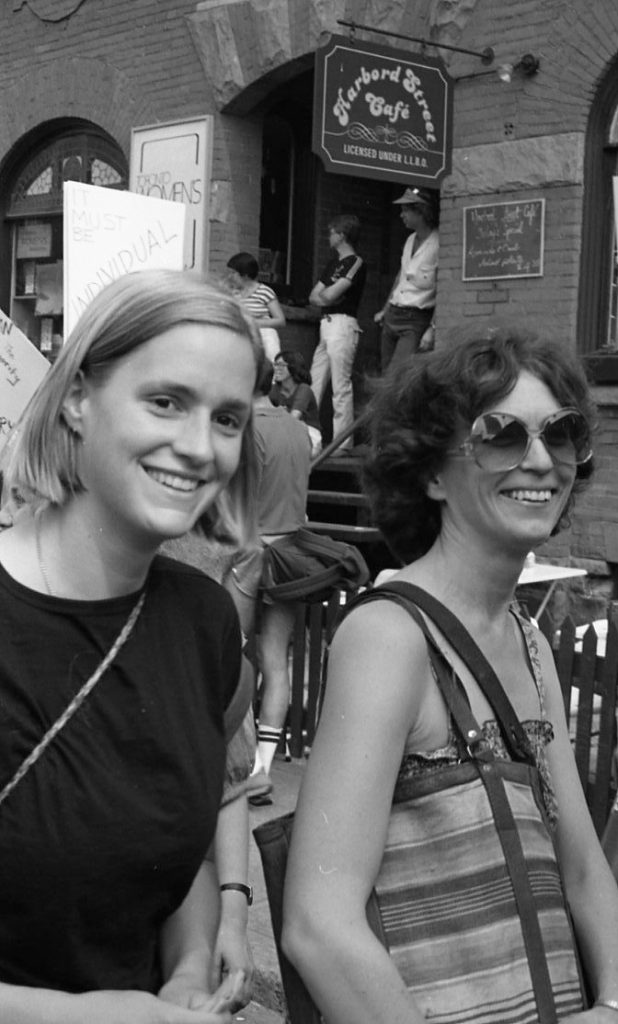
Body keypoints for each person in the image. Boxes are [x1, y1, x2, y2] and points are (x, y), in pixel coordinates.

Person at [283, 326, 618, 1024]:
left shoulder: (526, 641)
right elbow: (320, 925)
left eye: (560, 435)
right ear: (433, 471)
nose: (539, 461)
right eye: (500, 435)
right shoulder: (390, 637)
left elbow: (585, 870)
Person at [0, 268, 265, 1024]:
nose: (197, 447)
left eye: (227, 419)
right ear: (80, 399)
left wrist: (186, 964)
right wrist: (102, 1015)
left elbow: (172, 851)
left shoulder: (204, 622)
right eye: (166, 402)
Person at [245, 360, 312, 805]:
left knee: (230, 659)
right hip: (290, 555)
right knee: (275, 662)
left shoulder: (245, 430)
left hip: (247, 554)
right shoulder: (299, 431)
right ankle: (262, 770)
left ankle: (237, 765)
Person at [308, 214, 366, 454]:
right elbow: (314, 297)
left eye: (332, 232)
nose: (329, 236)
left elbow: (329, 296)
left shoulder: (354, 261)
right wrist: (329, 294)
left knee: (340, 386)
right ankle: (308, 439)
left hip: (343, 324)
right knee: (314, 381)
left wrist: (328, 295)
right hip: (326, 324)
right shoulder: (332, 264)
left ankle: (342, 444)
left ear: (342, 235)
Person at [374, 186, 439, 372]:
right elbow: (400, 279)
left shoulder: (439, 244)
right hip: (393, 314)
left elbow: (442, 290)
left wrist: (432, 329)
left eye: (406, 211)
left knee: (398, 374)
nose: (402, 216)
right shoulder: (410, 239)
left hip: (414, 320)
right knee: (386, 373)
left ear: (421, 212)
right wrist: (385, 309)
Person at [226, 251, 286, 362]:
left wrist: (255, 323)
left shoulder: (264, 291)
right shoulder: (232, 293)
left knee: (272, 364)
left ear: (245, 274)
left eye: (233, 273)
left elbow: (280, 320)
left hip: (264, 335)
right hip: (242, 335)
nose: (229, 277)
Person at [270, 349, 322, 456]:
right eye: (275, 364)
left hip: (309, 435)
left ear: (293, 367)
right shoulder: (275, 389)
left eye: (281, 365)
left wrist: (278, 414)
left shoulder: (304, 389)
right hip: (285, 434)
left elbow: (293, 419)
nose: (276, 368)